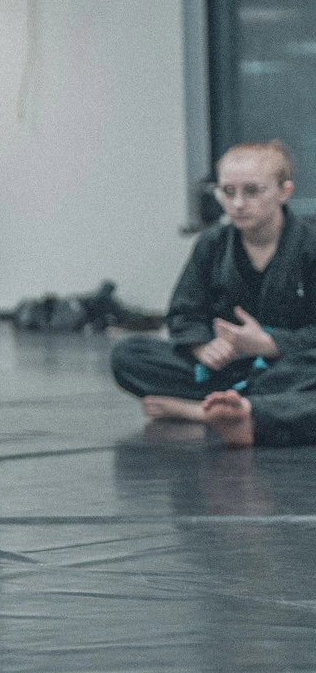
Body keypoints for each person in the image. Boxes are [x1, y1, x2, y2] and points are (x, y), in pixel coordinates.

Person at [111, 140, 316, 447]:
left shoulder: (310, 245)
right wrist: (203, 347)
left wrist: (270, 344)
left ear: (284, 192)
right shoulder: (212, 244)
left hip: (288, 367)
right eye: (228, 192)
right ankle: (245, 407)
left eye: (253, 191)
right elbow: (184, 313)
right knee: (128, 355)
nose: (238, 204)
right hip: (226, 369)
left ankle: (205, 410)